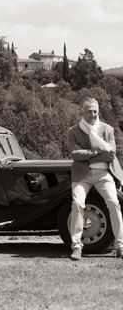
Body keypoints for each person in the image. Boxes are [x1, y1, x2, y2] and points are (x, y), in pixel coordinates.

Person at [66, 97, 123, 261]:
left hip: (104, 174)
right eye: (89, 111)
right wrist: (97, 152)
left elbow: (111, 153)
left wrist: (87, 154)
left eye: (95, 111)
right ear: (83, 112)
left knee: (114, 203)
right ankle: (76, 247)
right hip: (81, 175)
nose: (93, 114)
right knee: (77, 204)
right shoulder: (74, 131)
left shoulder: (107, 129)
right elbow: (75, 155)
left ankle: (120, 246)